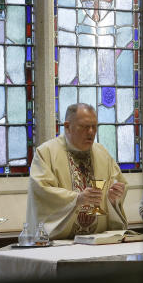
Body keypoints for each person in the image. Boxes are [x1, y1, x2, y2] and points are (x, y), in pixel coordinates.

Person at [26, 103, 127, 240]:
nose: (91, 132)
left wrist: (113, 198)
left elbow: (118, 185)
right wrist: (77, 199)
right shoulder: (46, 153)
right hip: (59, 243)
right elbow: (42, 192)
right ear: (67, 127)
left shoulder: (102, 154)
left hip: (97, 241)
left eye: (94, 127)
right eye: (85, 127)